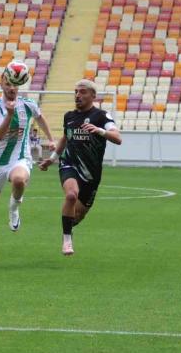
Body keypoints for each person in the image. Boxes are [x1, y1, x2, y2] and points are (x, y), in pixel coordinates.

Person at [0, 70, 55, 255]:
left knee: (19, 180)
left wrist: (51, 139)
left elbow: (40, 118)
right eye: (8, 84)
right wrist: (10, 115)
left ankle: (14, 207)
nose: (12, 88)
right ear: (2, 84)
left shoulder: (28, 104)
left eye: (15, 84)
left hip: (20, 157)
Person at [39, 79, 122, 256]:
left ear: (93, 95)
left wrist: (99, 131)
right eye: (76, 92)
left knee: (77, 216)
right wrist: (52, 159)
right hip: (69, 164)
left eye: (82, 92)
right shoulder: (69, 116)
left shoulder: (102, 116)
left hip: (91, 174)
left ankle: (69, 227)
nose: (78, 95)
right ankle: (67, 240)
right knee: (71, 195)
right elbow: (65, 138)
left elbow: (117, 138)